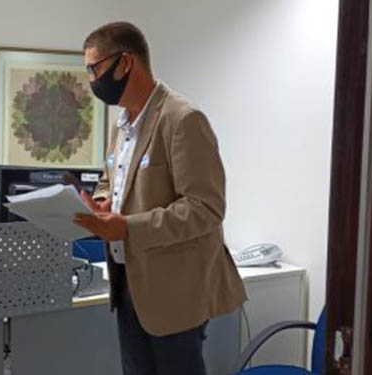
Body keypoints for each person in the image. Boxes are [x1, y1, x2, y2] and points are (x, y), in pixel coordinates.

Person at [73, 22, 247, 375]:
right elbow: (111, 181)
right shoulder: (121, 125)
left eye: (95, 68)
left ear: (125, 63)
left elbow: (206, 208)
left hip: (174, 290)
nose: (92, 80)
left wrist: (127, 227)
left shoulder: (182, 119)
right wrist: (103, 203)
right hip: (128, 282)